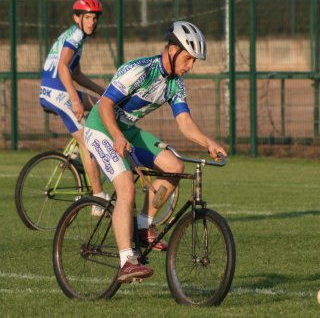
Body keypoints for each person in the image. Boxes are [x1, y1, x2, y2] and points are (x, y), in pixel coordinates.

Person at [84, 21, 227, 283]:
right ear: (172, 50)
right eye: (187, 58)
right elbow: (104, 105)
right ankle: (127, 261)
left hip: (127, 130)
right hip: (101, 127)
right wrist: (116, 135)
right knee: (125, 185)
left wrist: (208, 142)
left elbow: (184, 123)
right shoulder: (139, 70)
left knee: (175, 167)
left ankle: (142, 224)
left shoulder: (176, 85)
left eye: (194, 61)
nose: (190, 66)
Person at [39, 0, 108, 212]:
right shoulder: (76, 35)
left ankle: (76, 156)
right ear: (76, 17)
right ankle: (98, 200)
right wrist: (76, 100)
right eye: (87, 17)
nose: (92, 22)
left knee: (103, 105)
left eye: (95, 18)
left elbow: (75, 73)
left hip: (55, 91)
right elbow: (62, 67)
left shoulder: (73, 35)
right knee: (89, 143)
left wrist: (103, 92)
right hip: (58, 93)